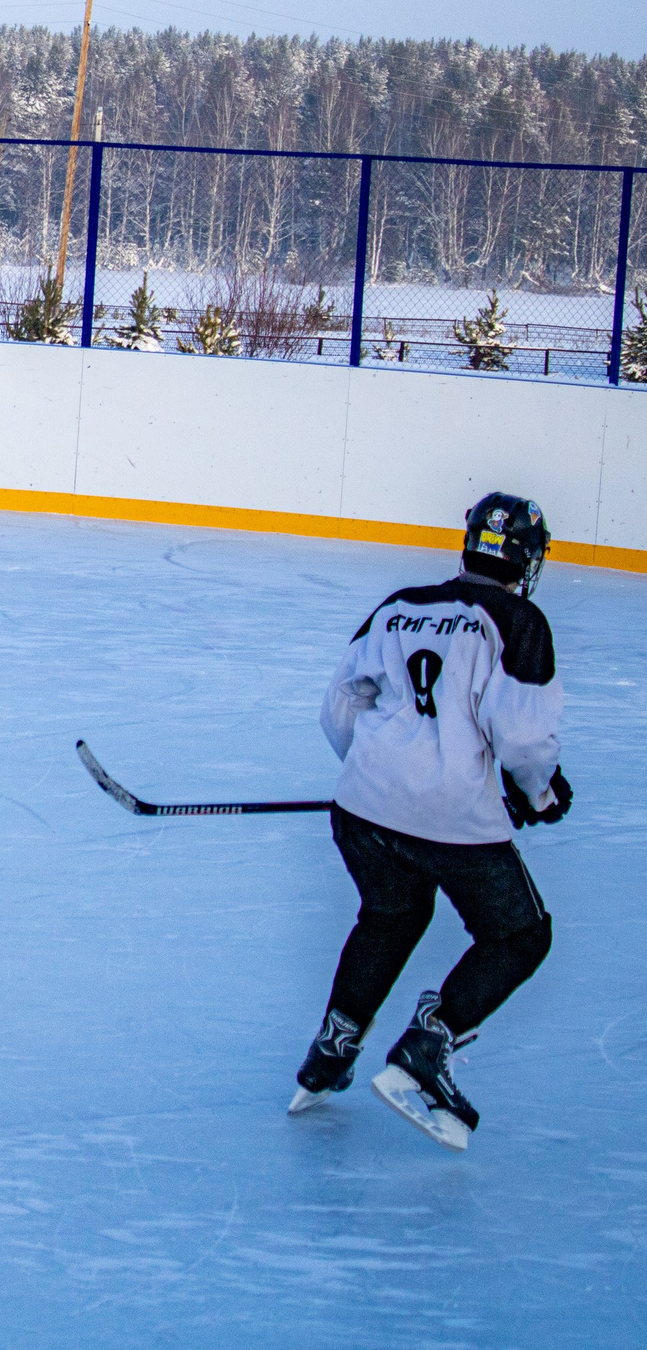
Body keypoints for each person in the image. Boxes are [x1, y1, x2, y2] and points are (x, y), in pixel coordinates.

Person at [289, 491, 567, 1152]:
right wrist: (539, 794)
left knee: (393, 912)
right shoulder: (520, 621)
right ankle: (426, 1046)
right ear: (526, 559)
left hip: (361, 812)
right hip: (450, 821)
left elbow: (339, 708)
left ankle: (333, 1049)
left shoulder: (402, 604)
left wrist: (381, 775)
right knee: (520, 936)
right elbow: (524, 742)